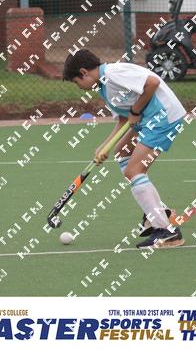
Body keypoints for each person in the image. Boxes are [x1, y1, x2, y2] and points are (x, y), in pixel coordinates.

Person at [63, 49, 184, 248]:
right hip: (148, 119)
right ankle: (159, 211)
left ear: (84, 72)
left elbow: (152, 83)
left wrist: (136, 110)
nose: (79, 87)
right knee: (122, 152)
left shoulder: (113, 74)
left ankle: (166, 232)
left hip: (163, 116)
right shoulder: (103, 87)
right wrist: (104, 146)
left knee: (134, 171)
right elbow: (123, 119)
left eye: (77, 82)